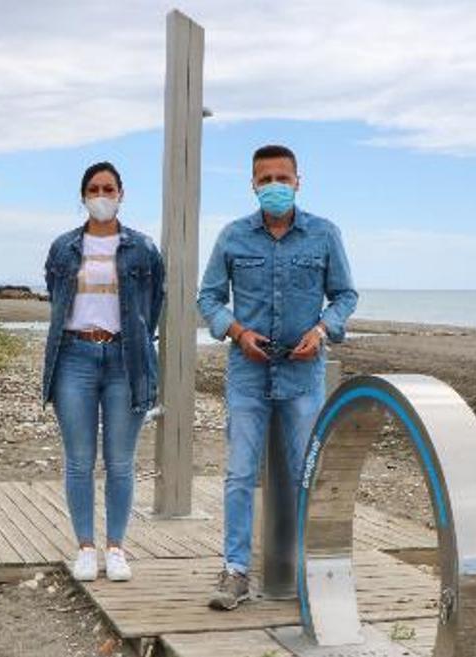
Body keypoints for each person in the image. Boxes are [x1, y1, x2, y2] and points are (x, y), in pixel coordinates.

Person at [197, 144, 358, 609]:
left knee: (310, 472)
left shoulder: (324, 235)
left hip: (304, 376)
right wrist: (236, 330)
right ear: (252, 184)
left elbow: (345, 295)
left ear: (297, 182)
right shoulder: (232, 237)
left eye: (281, 178)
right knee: (239, 473)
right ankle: (235, 572)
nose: (274, 187)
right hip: (247, 372)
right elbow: (207, 298)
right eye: (265, 179)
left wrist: (323, 330)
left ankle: (315, 571)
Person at [42, 161, 165, 583]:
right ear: (83, 196)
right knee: (79, 461)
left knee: (120, 461)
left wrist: (136, 339)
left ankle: (115, 547)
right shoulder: (62, 248)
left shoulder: (144, 249)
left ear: (121, 194)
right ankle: (85, 548)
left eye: (108, 188)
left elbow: (155, 303)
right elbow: (55, 295)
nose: (101, 195)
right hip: (73, 357)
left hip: (124, 359)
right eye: (93, 189)